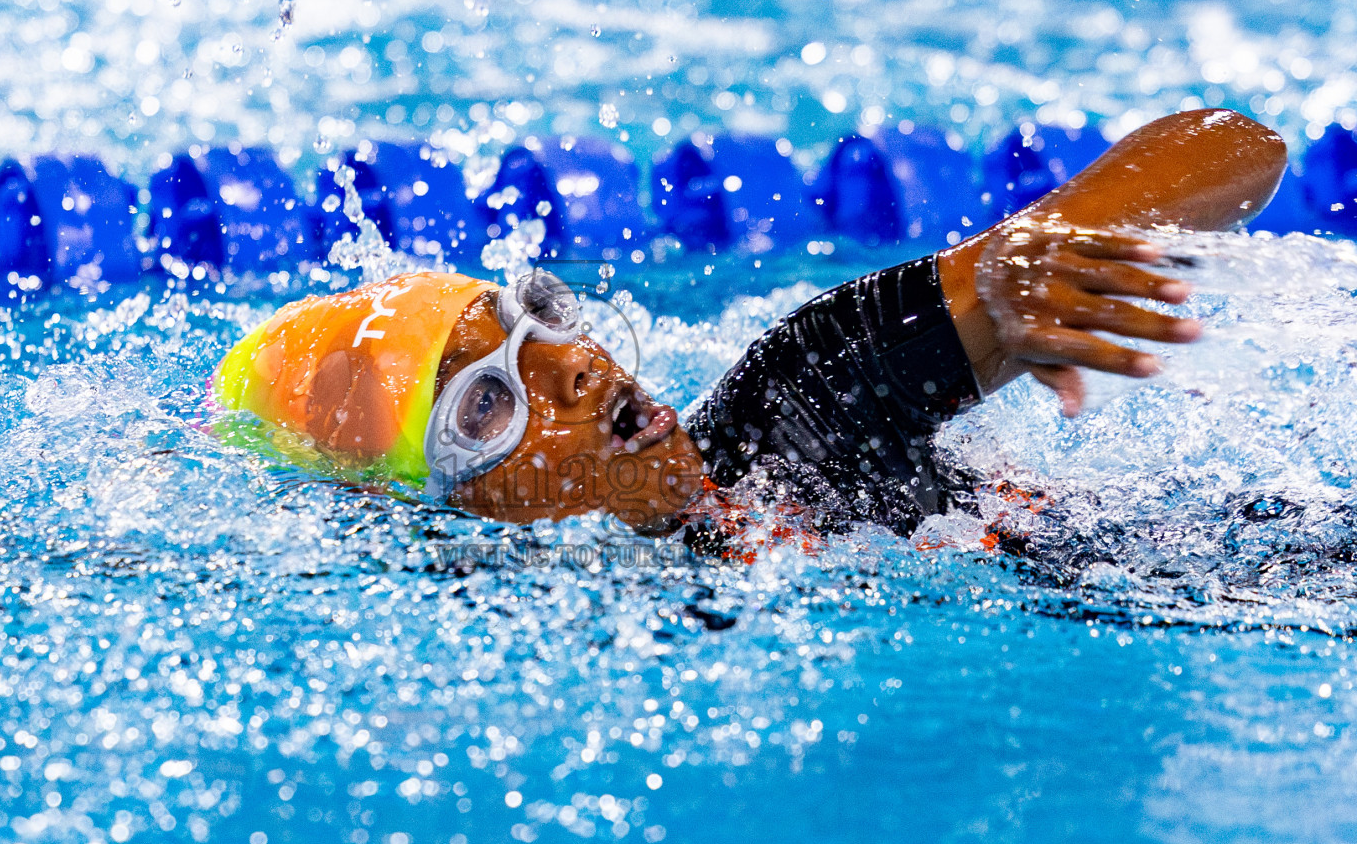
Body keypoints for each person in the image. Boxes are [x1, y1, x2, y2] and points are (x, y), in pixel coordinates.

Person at [212, 109, 1288, 541]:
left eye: (534, 324)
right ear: (456, 513)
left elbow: (1242, 146)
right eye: (490, 401)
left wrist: (1036, 252)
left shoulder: (795, 405)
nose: (571, 373)